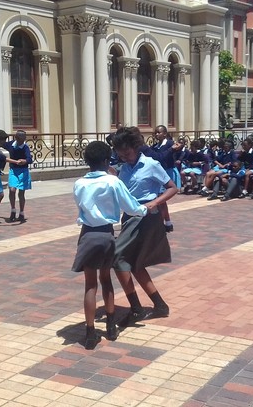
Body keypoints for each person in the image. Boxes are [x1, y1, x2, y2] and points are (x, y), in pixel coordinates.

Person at [72, 141, 148, 349]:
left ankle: (89, 332)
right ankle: (111, 326)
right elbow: (131, 206)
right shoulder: (113, 182)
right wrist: (145, 210)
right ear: (107, 161)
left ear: (87, 161)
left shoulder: (79, 184)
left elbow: (81, 207)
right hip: (106, 234)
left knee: (90, 284)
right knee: (106, 280)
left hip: (87, 234)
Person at [112, 126, 176, 326]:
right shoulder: (123, 168)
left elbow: (173, 188)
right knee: (136, 265)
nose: (125, 157)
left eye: (128, 153)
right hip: (129, 217)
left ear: (136, 147)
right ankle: (159, 305)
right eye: (121, 155)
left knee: (117, 256)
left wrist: (155, 202)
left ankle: (137, 308)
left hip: (147, 217)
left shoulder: (151, 164)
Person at [3, 130, 33, 223]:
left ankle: (22, 212)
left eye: (24, 139)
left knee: (21, 193)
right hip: (13, 170)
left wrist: (24, 161)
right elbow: (0, 144)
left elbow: (29, 159)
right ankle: (13, 210)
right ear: (16, 138)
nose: (22, 141)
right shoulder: (11, 145)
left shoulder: (25, 147)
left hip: (23, 171)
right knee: (12, 190)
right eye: (20, 139)